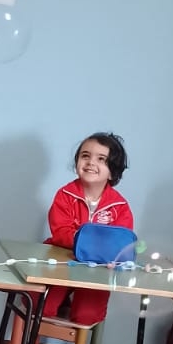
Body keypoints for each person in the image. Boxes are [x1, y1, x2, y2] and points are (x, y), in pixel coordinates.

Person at [42, 132, 134, 329]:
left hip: (98, 269)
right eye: (85, 156)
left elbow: (121, 242)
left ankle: (71, 303)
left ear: (112, 172)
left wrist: (102, 250)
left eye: (101, 159)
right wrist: (93, 243)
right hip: (63, 260)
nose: (91, 162)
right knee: (42, 305)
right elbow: (61, 231)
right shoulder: (64, 195)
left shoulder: (120, 206)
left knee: (87, 316)